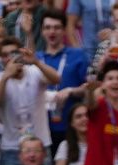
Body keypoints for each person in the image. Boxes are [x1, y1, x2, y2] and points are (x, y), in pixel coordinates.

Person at [0, 37, 60, 165]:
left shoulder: (34, 71)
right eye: (5, 55)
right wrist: (6, 76)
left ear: (21, 53)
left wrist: (36, 61)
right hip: (12, 148)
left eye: (14, 53)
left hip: (40, 144)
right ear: (1, 59)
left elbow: (56, 79)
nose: (11, 58)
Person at [37, 11, 89, 152]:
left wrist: (71, 91)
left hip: (71, 127)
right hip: (41, 129)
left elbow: (90, 88)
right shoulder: (36, 59)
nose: (52, 32)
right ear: (41, 31)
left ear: (65, 30)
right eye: (47, 28)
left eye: (57, 27)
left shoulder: (78, 55)